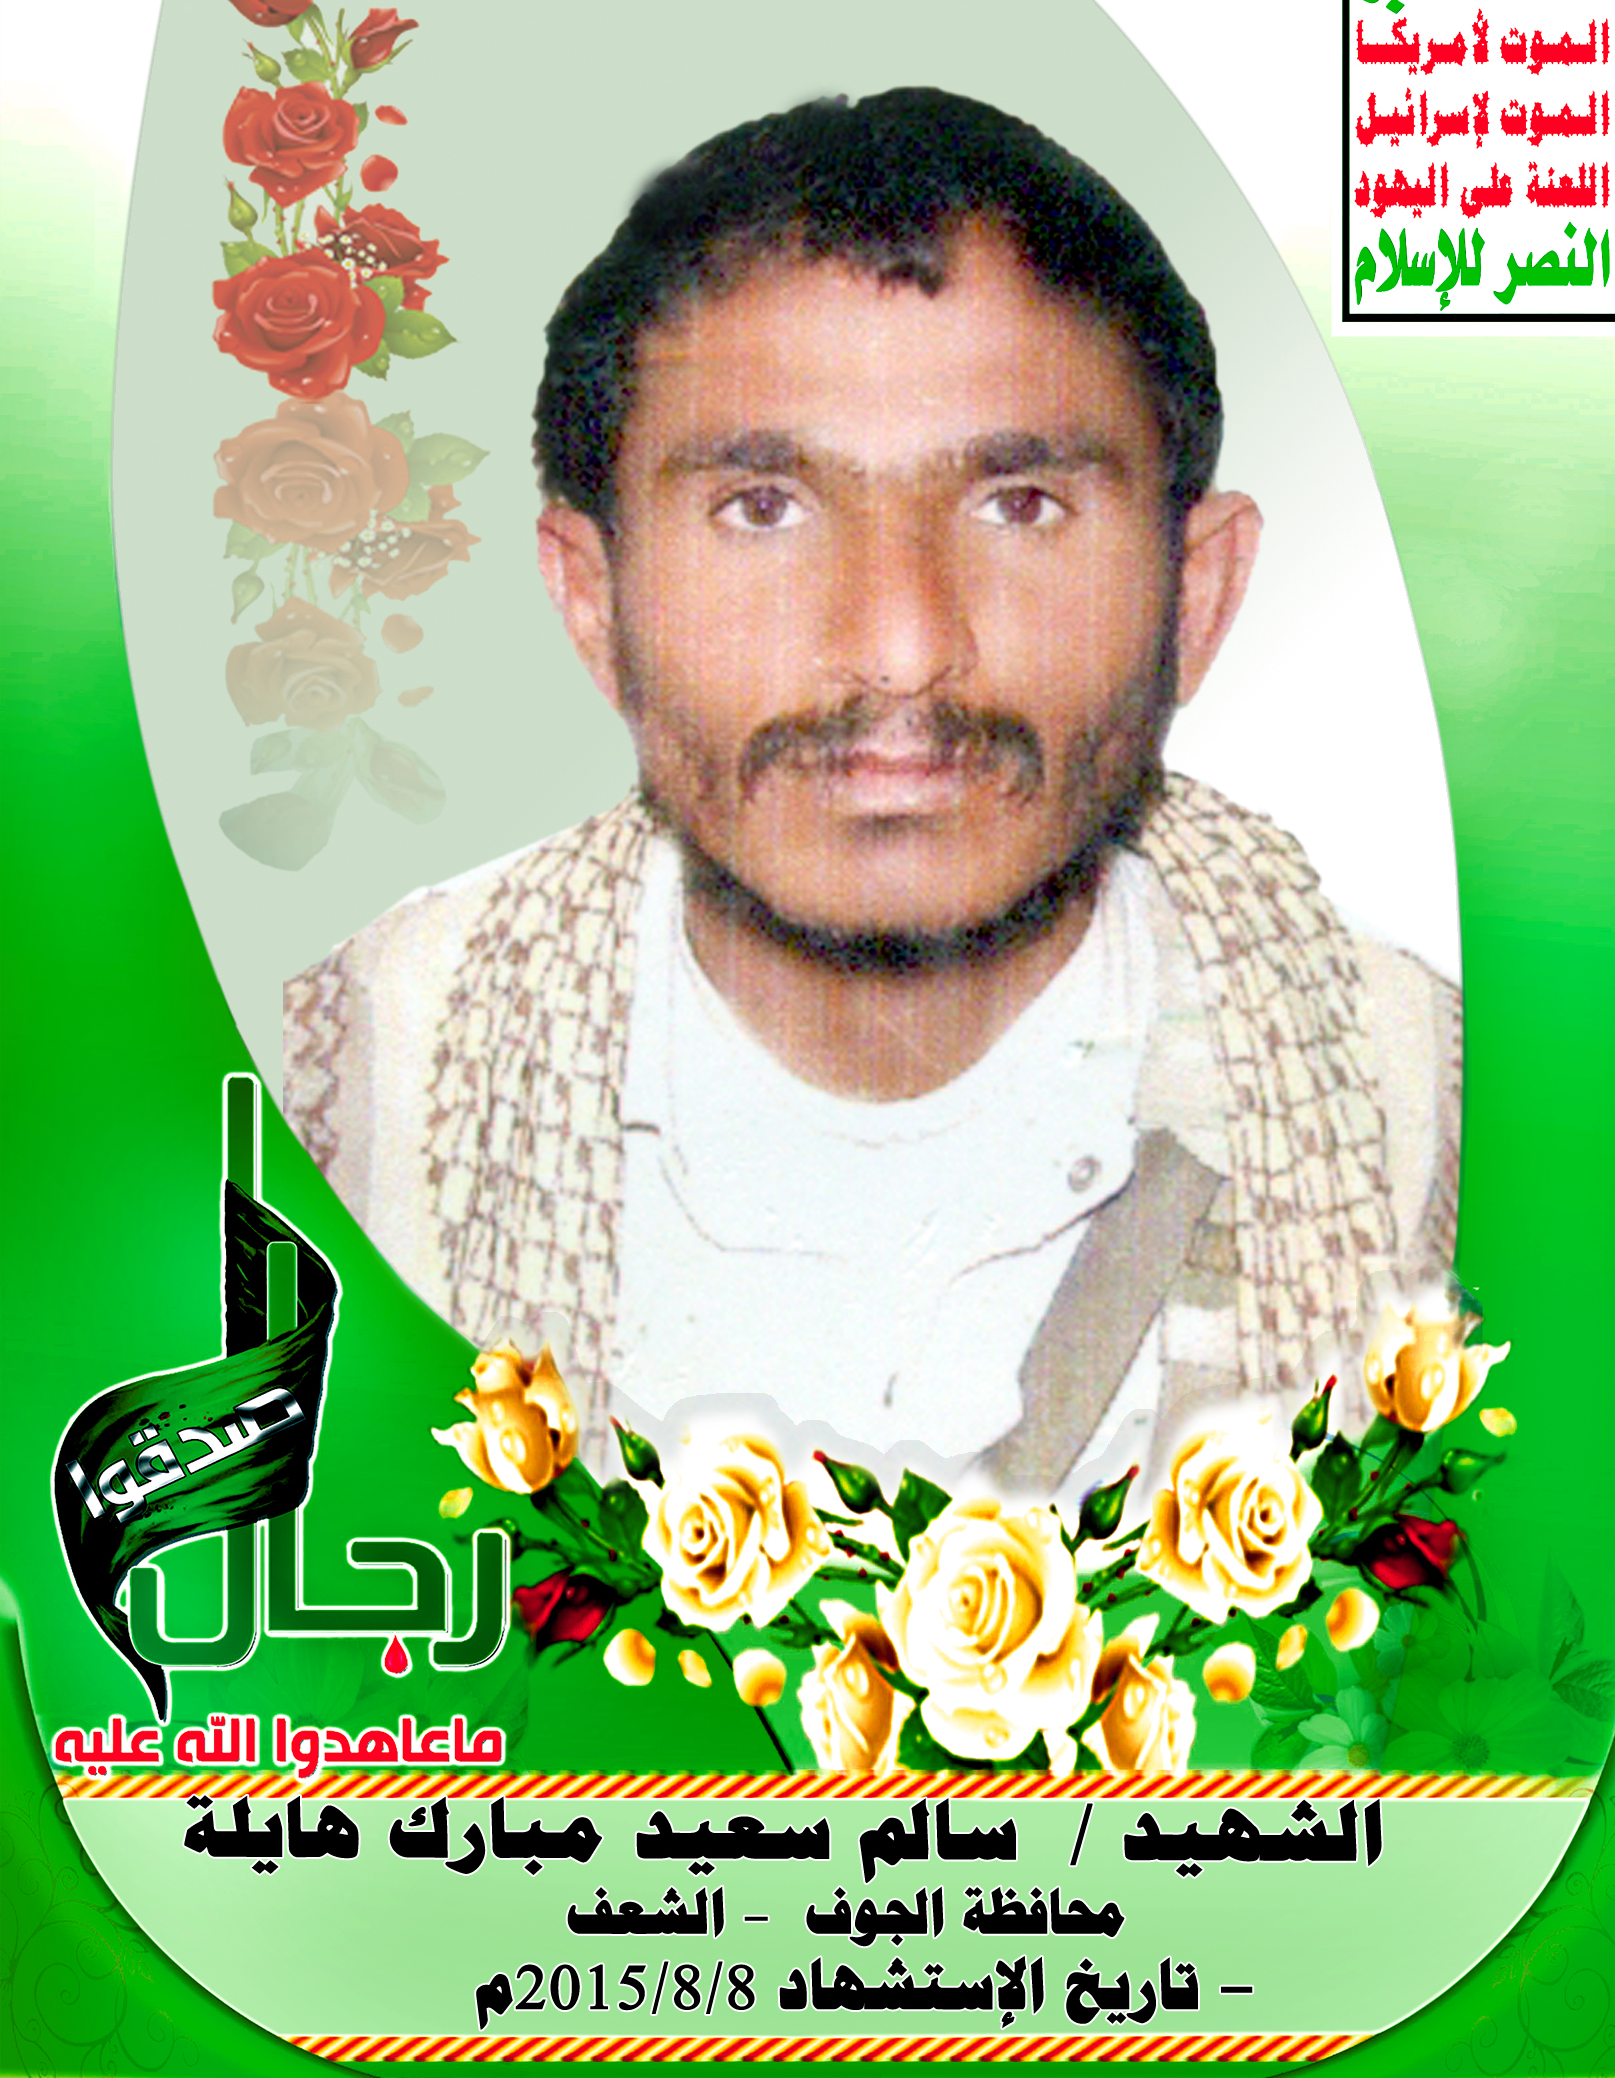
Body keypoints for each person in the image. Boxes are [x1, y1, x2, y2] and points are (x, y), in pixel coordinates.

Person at [284, 89, 1459, 1494]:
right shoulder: (331, 1105)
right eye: (761, 509)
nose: (901, 644)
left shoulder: (1449, 1125)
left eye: (1019, 505)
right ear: (594, 604)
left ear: (1194, 598)